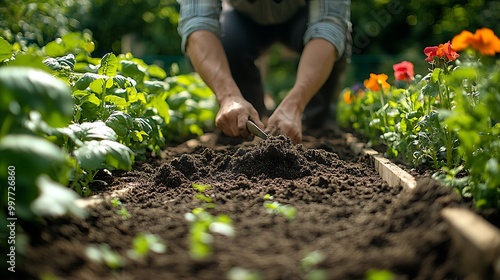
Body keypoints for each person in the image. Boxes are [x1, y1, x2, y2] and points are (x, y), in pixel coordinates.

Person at [177, 0, 351, 143]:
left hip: (303, 16)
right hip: (241, 19)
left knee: (335, 39)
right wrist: (228, 96)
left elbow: (329, 24)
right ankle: (244, 124)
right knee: (227, 40)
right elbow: (197, 24)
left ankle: (316, 126)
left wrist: (295, 104)